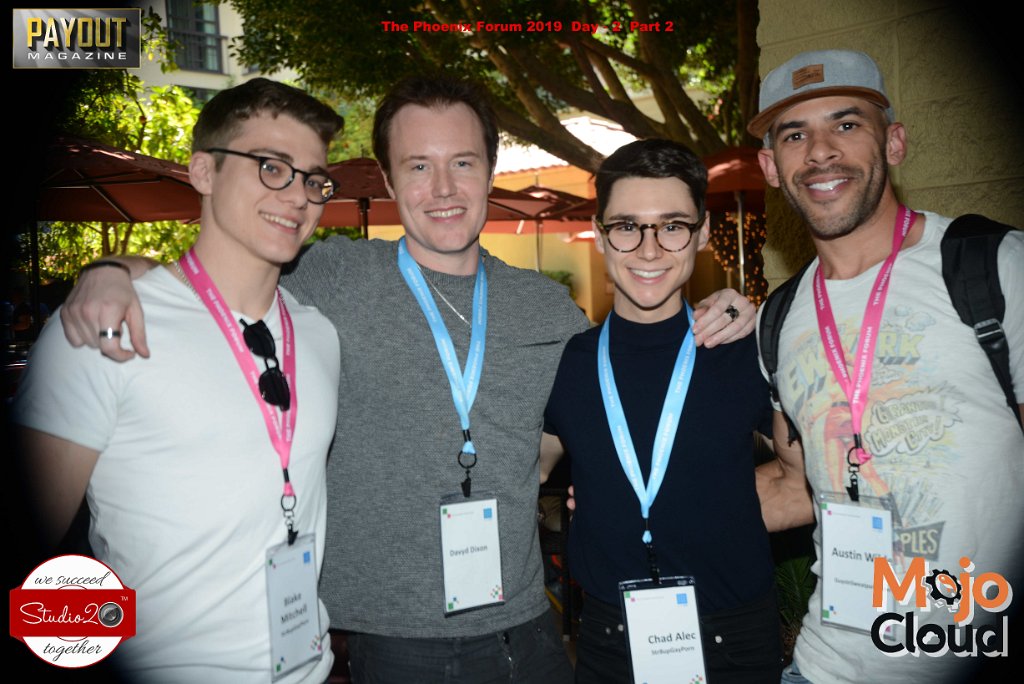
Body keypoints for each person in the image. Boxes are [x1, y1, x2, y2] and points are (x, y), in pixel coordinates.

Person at [59, 75, 756, 682]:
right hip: (397, 643)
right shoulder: (329, 277)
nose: (443, 189)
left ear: (490, 171)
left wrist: (726, 308)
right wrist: (113, 270)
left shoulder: (549, 309)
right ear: (390, 182)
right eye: (418, 166)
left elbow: (616, 399)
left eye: (463, 163)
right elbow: (215, 275)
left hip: (533, 627)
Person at [12, 78, 344, 682]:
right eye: (272, 167)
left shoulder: (319, 334)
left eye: (314, 180)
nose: (298, 196)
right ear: (203, 171)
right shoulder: (104, 327)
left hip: (309, 668)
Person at [749, 50, 1024, 683]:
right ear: (771, 167)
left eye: (846, 125)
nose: (820, 152)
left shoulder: (996, 268)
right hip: (824, 666)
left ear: (893, 142)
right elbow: (794, 485)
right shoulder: (778, 320)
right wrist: (633, 507)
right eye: (795, 135)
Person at [542, 139, 786, 683]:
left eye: (672, 226)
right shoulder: (569, 363)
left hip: (734, 639)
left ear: (702, 232)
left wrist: (710, 507)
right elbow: (525, 470)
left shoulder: (744, 351)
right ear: (600, 233)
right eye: (627, 226)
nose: (649, 250)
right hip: (607, 639)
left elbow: (815, 479)